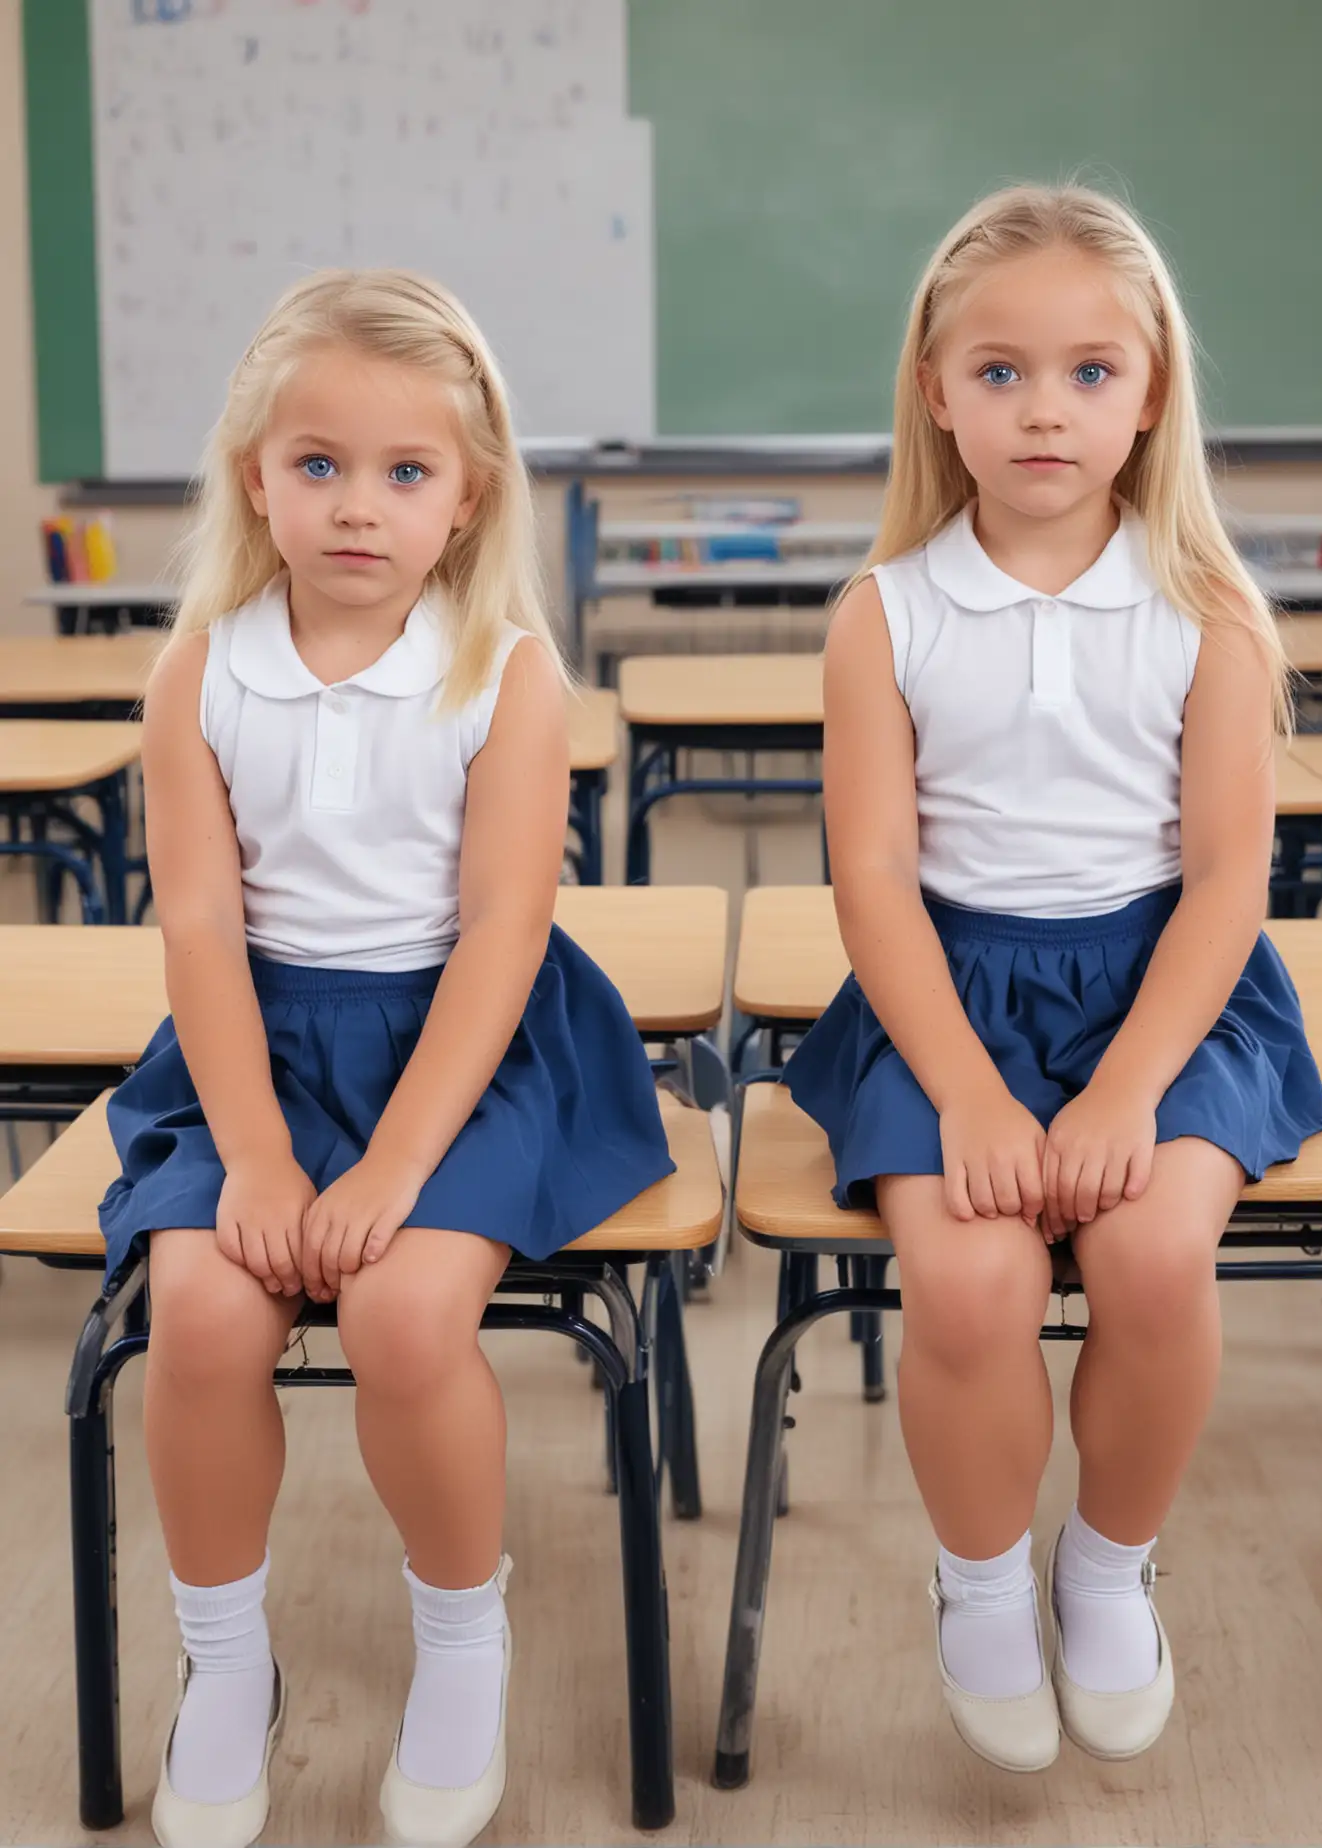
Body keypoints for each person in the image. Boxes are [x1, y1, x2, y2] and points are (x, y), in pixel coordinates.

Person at [98, 268, 674, 1848]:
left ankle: (459, 1641)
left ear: (468, 498)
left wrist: (399, 1166)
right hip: (258, 1054)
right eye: (321, 466)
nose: (361, 507)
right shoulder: (199, 674)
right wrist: (271, 1160)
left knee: (412, 1311)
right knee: (208, 1307)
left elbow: (500, 932)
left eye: (407, 473)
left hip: (466, 1051)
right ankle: (224, 1666)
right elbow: (204, 933)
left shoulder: (508, 675)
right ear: (256, 481)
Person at [785, 184, 1322, 1774]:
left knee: (1155, 1262)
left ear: (1151, 394)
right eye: (1003, 370)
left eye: (1093, 371)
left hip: (1165, 998)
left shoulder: (1207, 608)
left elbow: (1232, 877)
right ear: (937, 393)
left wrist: (1124, 1088)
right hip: (946, 999)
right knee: (968, 1279)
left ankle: (1103, 1567)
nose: (1046, 408)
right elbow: (874, 876)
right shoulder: (882, 613)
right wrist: (965, 1085)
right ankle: (976, 1586)